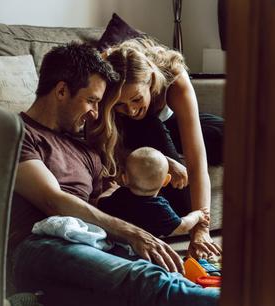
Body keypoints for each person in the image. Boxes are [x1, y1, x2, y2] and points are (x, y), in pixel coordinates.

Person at [8, 42, 219, 306]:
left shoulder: (83, 149)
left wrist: (158, 173)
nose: (96, 113)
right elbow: (53, 200)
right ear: (61, 91)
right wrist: (132, 233)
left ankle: (43, 300)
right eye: (91, 101)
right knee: (148, 281)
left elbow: (109, 200)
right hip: (40, 245)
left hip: (89, 244)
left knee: (160, 276)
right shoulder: (16, 133)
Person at [88, 38, 223, 259]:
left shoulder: (174, 78)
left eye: (136, 99)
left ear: (151, 80)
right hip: (141, 134)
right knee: (149, 125)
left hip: (172, 124)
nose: (130, 110)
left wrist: (202, 231)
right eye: (120, 105)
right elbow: (101, 145)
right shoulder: (104, 81)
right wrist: (165, 161)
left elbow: (197, 161)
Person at [98, 147, 209, 237]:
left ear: (125, 178)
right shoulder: (160, 207)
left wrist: (110, 190)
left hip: (116, 244)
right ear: (166, 181)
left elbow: (99, 203)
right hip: (145, 252)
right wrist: (197, 215)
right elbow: (182, 226)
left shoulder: (120, 195)